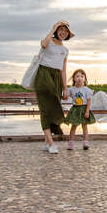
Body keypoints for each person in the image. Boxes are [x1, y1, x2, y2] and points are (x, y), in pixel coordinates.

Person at [36, 20, 72, 154]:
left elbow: (63, 70)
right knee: (46, 109)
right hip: (43, 74)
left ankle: (46, 141)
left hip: (56, 77)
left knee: (54, 105)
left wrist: (65, 88)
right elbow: (44, 44)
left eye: (65, 31)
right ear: (56, 31)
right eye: (60, 29)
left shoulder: (65, 50)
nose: (63, 32)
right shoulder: (48, 41)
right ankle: (51, 143)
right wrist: (52, 28)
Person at [65, 68, 95, 150]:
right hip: (75, 109)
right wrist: (64, 93)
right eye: (77, 76)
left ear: (85, 79)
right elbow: (65, 96)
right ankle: (71, 143)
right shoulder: (71, 89)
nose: (79, 78)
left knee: (84, 126)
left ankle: (85, 142)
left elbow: (89, 101)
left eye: (82, 76)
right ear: (74, 79)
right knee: (73, 126)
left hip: (84, 108)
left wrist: (87, 111)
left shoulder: (86, 90)